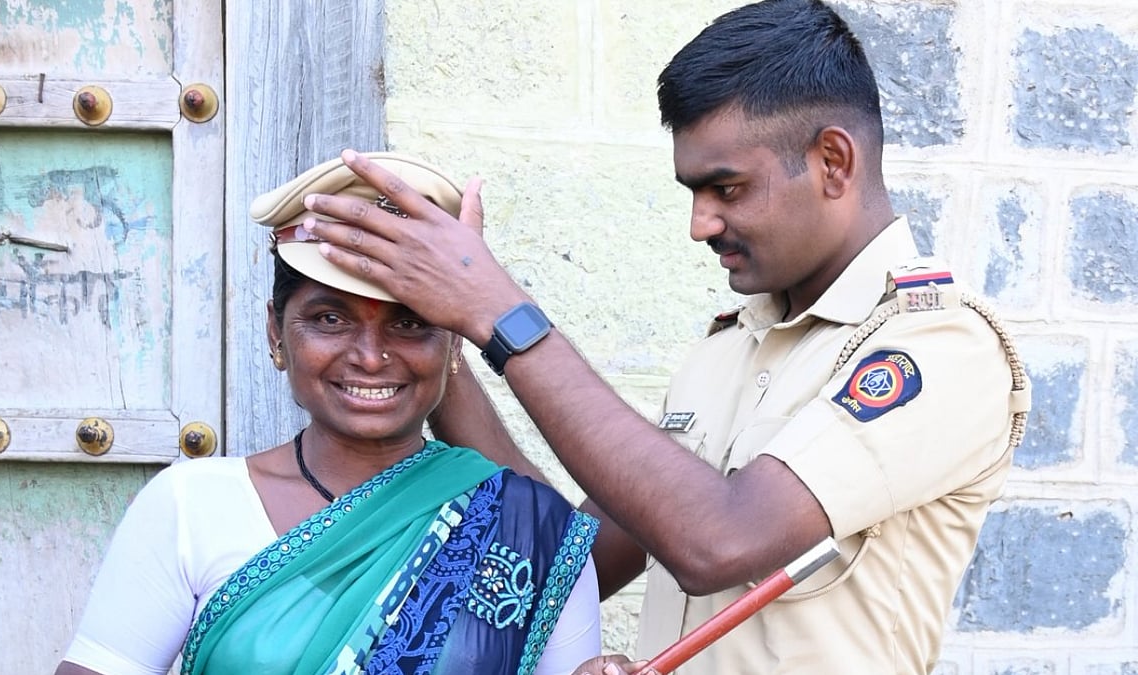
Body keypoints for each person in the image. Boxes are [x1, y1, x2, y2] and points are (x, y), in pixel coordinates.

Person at [298, 1, 1032, 673]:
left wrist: (498, 310)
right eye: (693, 192)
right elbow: (568, 561)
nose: (700, 224)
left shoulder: (940, 345)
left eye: (727, 188)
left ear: (833, 161)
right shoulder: (726, 349)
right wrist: (443, 333)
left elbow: (718, 541)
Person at [54, 153, 602, 675]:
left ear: (455, 344)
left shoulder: (530, 532)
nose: (369, 355)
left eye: (409, 323)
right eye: (330, 318)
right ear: (276, 332)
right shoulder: (189, 507)